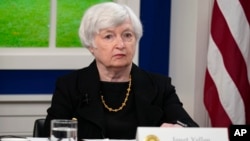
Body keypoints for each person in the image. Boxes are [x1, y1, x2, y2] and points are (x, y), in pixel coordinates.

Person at [43, 1, 199, 139]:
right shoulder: (70, 86)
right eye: (109, 36)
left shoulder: (159, 86)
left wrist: (179, 129)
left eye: (127, 35)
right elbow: (49, 136)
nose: (121, 44)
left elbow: (190, 127)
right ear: (91, 46)